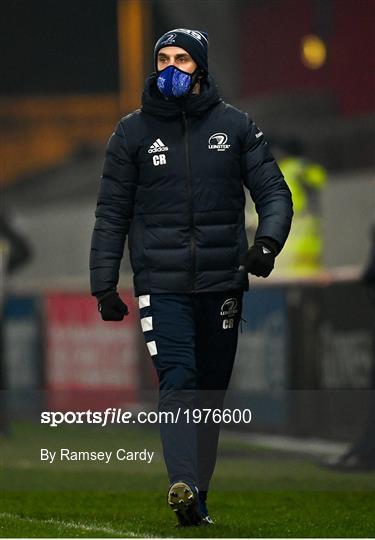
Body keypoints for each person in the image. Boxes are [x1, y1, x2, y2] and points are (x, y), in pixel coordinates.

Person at [90, 28, 293, 526]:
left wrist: (267, 244)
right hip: (161, 285)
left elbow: (274, 193)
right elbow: (111, 213)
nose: (171, 68)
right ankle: (179, 481)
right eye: (163, 59)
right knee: (178, 380)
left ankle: (196, 496)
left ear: (200, 68)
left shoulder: (237, 126)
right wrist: (103, 283)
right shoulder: (131, 133)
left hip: (223, 283)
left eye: (182, 59)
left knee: (211, 395)